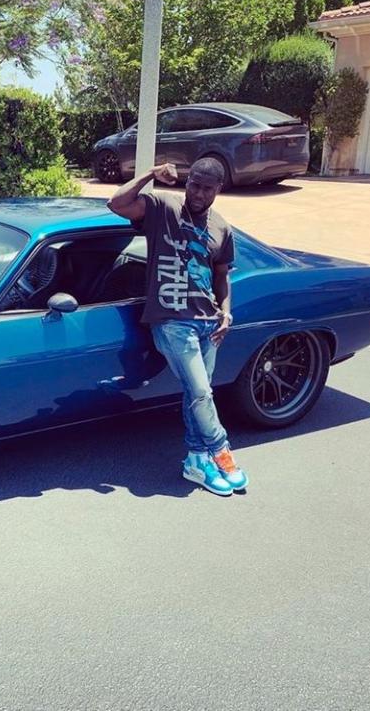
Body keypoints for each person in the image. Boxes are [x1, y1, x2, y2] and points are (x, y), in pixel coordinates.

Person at [107, 158, 248, 496]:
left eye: (206, 188)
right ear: (187, 182)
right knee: (201, 392)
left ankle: (196, 462)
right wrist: (150, 174)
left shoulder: (222, 228)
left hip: (209, 323)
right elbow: (116, 203)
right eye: (194, 184)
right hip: (171, 321)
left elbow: (221, 275)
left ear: (218, 189)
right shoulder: (162, 207)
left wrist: (226, 313)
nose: (198, 193)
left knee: (196, 394)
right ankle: (220, 450)